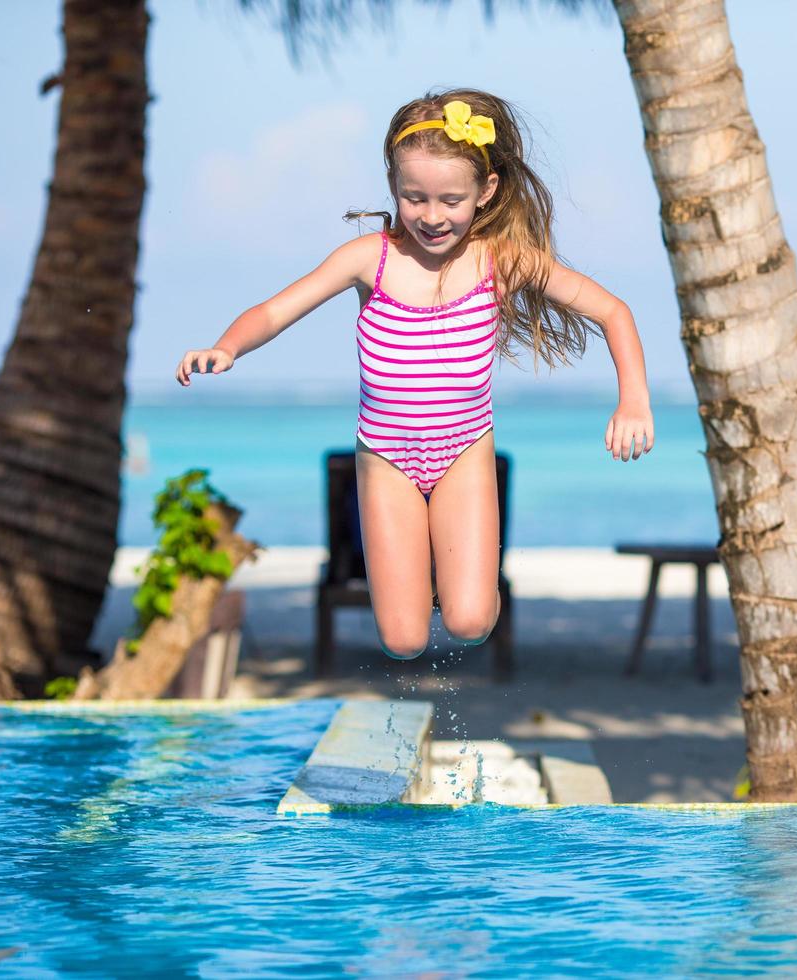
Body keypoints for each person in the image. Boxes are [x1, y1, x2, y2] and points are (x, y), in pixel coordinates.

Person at [175, 89, 653, 660]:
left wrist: (633, 401)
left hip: (464, 453)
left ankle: (461, 578)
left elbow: (612, 311)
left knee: (471, 621)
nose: (431, 216)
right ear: (394, 188)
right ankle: (421, 568)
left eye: (450, 199)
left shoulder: (501, 259)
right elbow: (275, 311)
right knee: (402, 640)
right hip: (385, 460)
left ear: (486, 192)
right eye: (413, 197)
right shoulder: (367, 259)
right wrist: (227, 347)